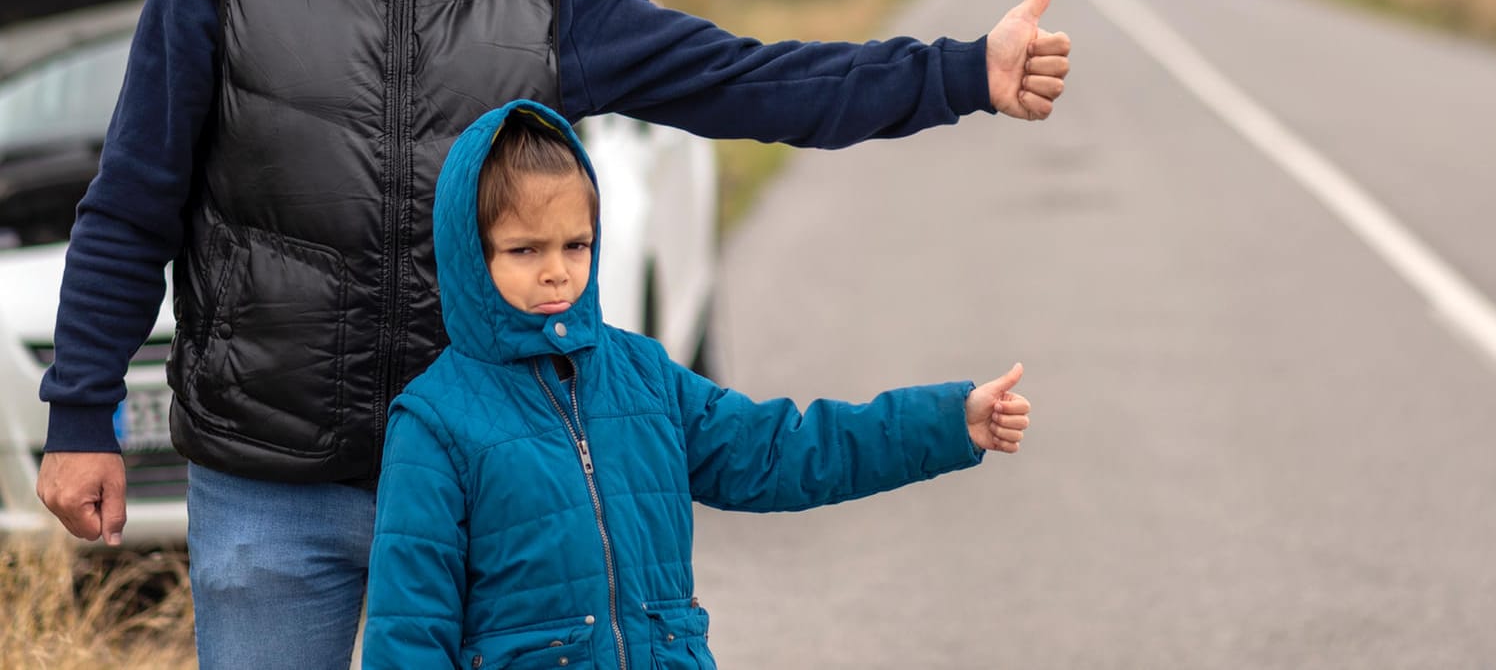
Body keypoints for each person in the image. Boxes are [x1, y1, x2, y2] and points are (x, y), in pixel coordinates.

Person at [34, 0, 1068, 668]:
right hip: (272, 486)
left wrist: (965, 71)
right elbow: (132, 205)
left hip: (496, 483)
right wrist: (82, 411)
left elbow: (749, 80)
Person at [362, 100, 1030, 669]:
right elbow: (408, 633)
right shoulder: (435, 422)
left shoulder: (644, 376)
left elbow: (782, 450)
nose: (557, 272)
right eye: (524, 249)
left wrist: (948, 421)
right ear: (469, 252)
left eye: (576, 245)